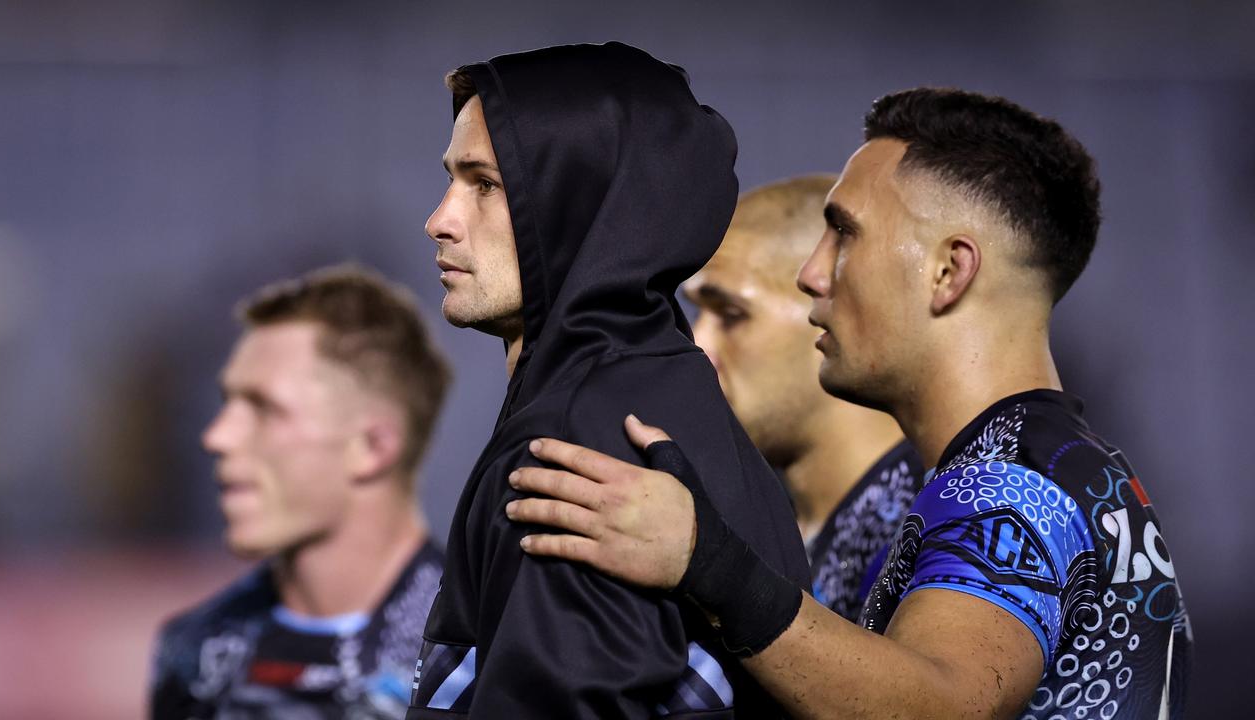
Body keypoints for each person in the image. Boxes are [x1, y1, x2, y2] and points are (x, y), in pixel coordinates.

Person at [506, 88, 1192, 719]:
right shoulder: (1045, 463)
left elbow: (942, 705)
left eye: (846, 233)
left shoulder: (1008, 483)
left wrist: (702, 557)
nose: (813, 273)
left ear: (949, 271)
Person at [409, 42, 809, 719]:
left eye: (485, 184)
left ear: (581, 204)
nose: (440, 221)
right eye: (452, 179)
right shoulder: (664, 395)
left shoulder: (582, 435)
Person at [150, 265, 450, 719]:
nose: (217, 436)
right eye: (226, 404)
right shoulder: (195, 652)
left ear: (373, 447)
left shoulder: (478, 655)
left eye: (264, 408)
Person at [684, 175, 921, 620]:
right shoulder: (754, 521)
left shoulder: (934, 527)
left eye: (731, 315)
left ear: (833, 312)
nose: (698, 346)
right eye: (699, 313)